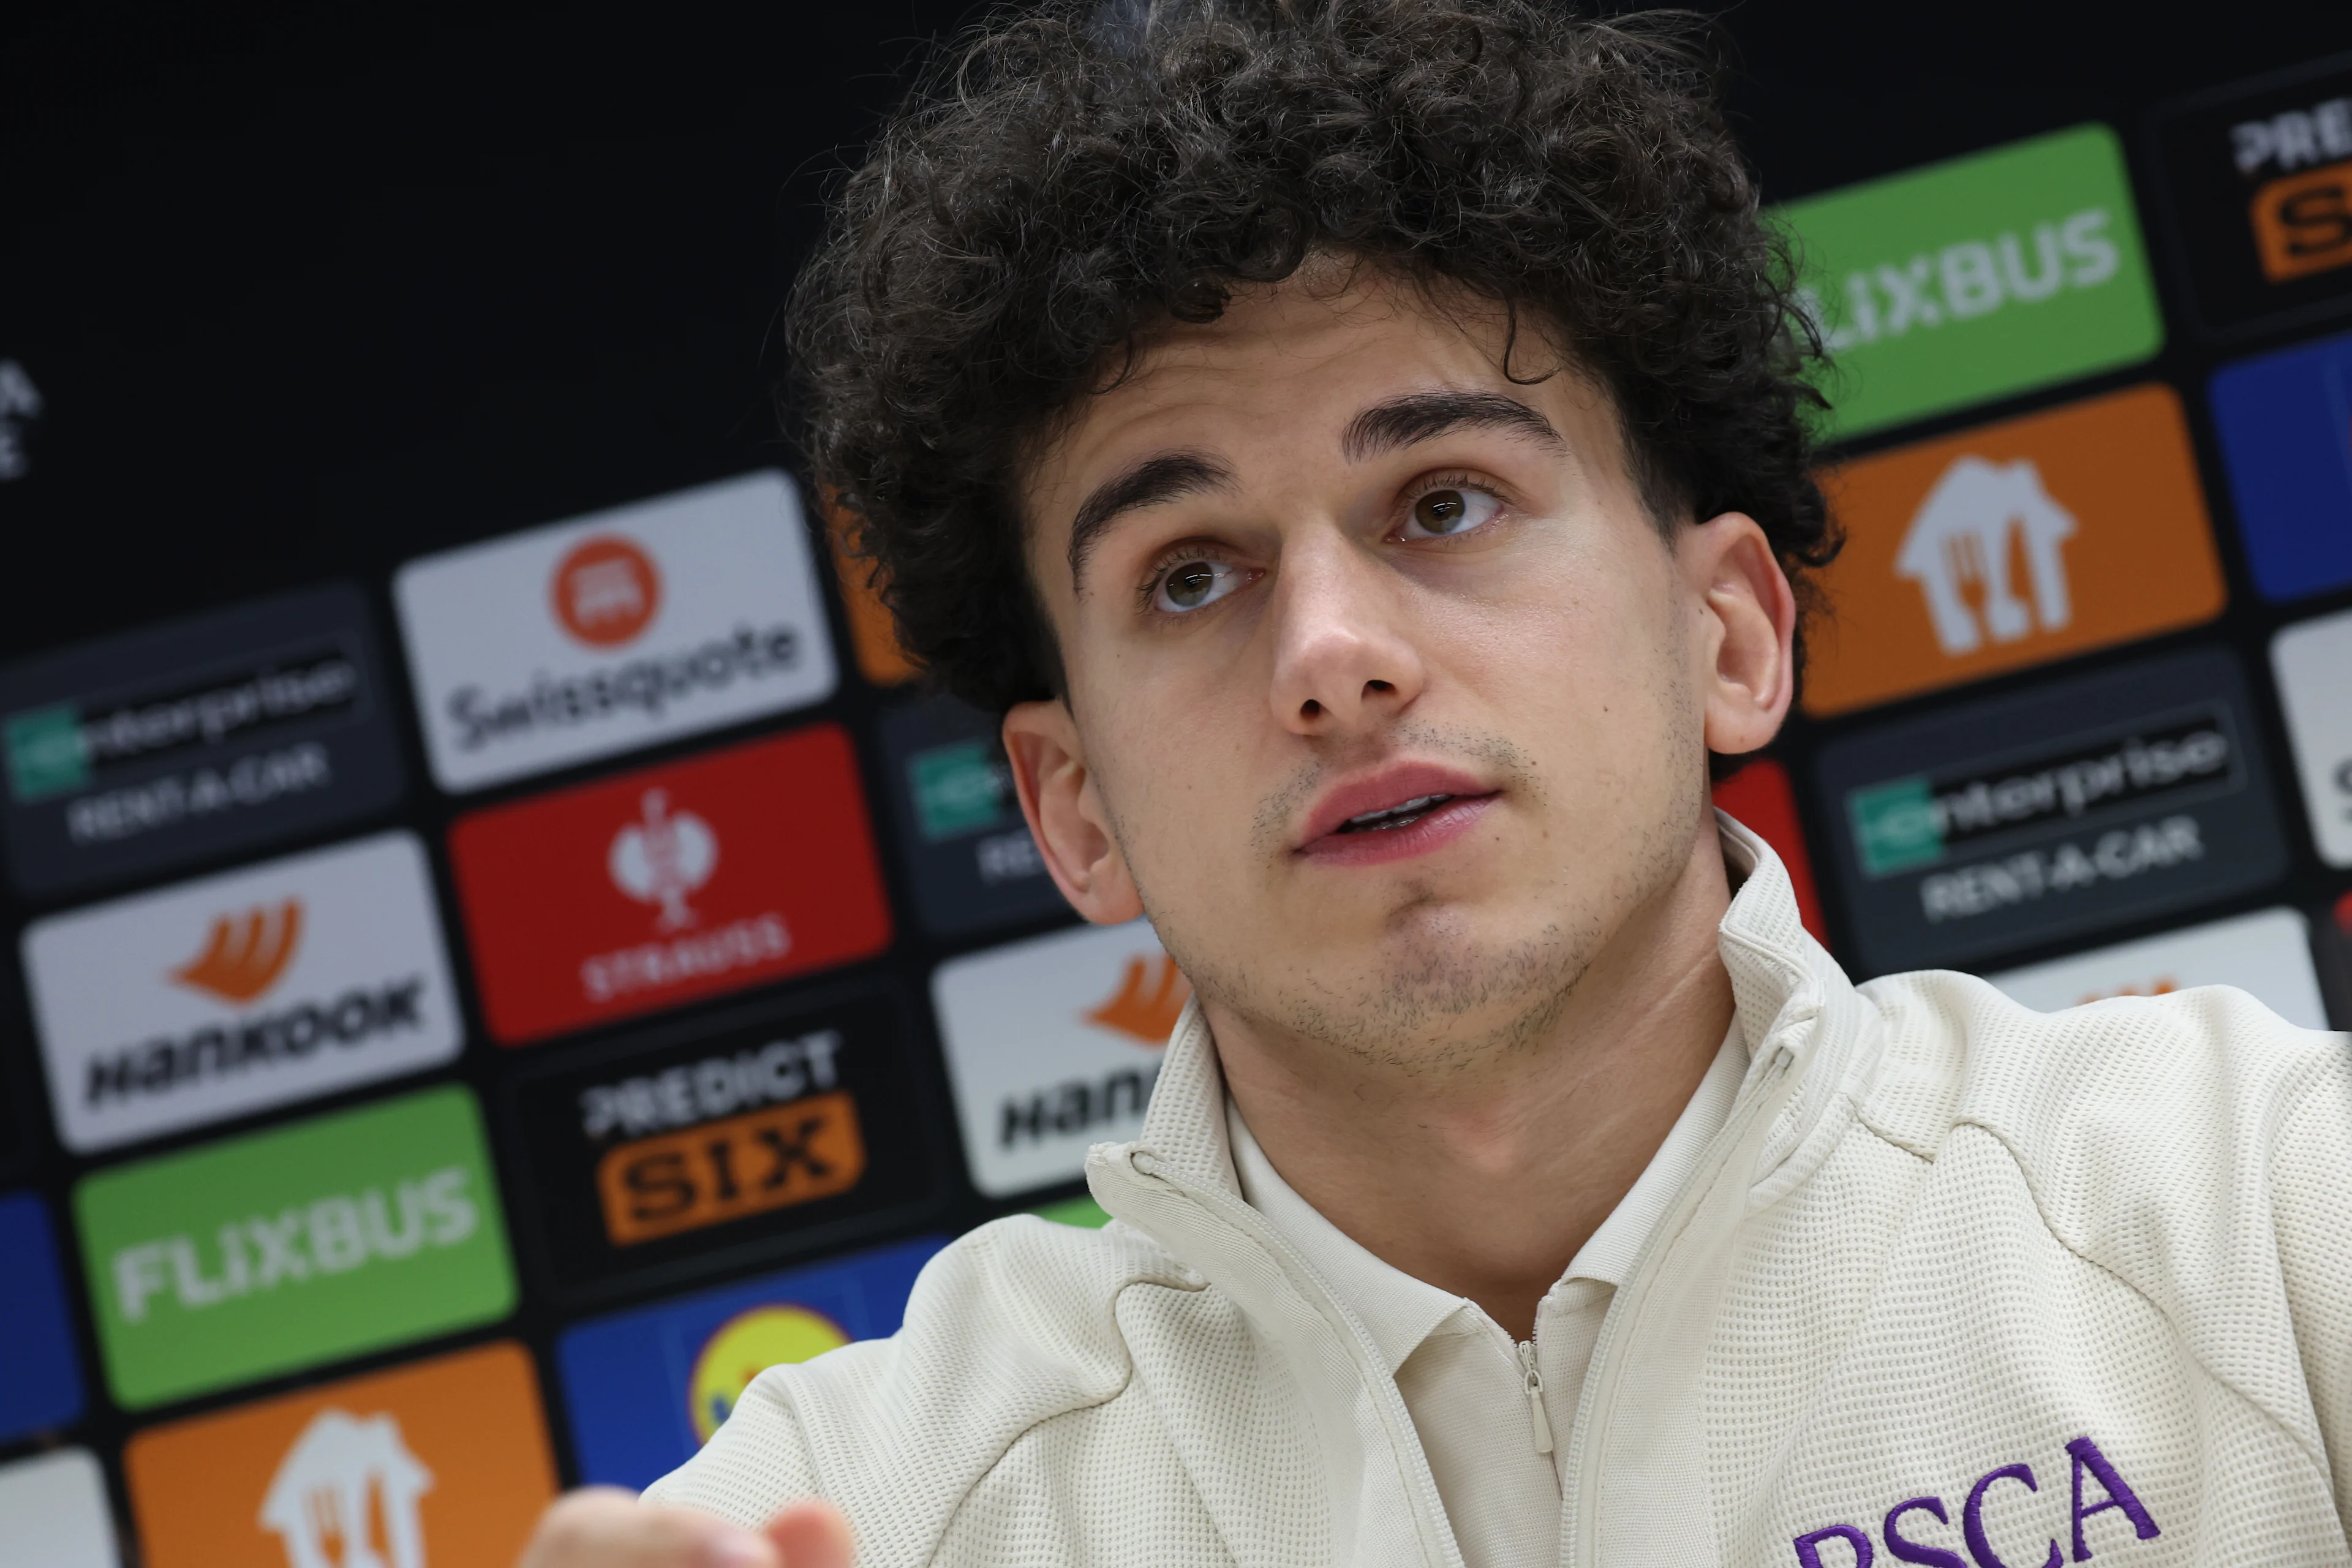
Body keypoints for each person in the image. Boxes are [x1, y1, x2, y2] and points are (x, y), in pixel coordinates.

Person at [519, 1, 2352, 1564]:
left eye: (1446, 503)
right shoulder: (856, 1507)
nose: (1330, 651)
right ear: (1071, 802)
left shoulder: (2252, 1213)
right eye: (1189, 573)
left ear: (1725, 632)